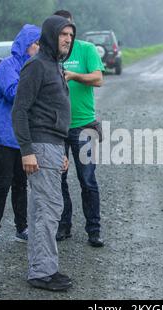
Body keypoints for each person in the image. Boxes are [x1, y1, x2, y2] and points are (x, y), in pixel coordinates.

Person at [12, 15, 75, 292]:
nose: (68, 40)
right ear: (50, 35)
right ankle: (42, 272)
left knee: (43, 209)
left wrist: (62, 151)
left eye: (71, 36)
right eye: (63, 35)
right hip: (39, 145)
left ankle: (43, 268)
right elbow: (19, 110)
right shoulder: (36, 66)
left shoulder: (55, 66)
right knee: (48, 210)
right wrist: (27, 150)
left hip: (53, 146)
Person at [0, 24, 41, 249]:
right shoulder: (7, 66)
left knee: (20, 183)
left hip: (19, 136)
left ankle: (21, 228)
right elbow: (14, 93)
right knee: (2, 182)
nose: (38, 48)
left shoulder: (32, 67)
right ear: (26, 44)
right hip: (1, 134)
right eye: (36, 43)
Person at [54, 10, 105, 248]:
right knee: (59, 179)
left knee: (87, 180)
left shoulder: (87, 49)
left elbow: (98, 79)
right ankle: (64, 226)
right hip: (57, 128)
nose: (67, 36)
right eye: (62, 31)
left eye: (69, 30)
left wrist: (74, 75)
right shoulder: (50, 53)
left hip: (84, 125)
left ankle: (93, 230)